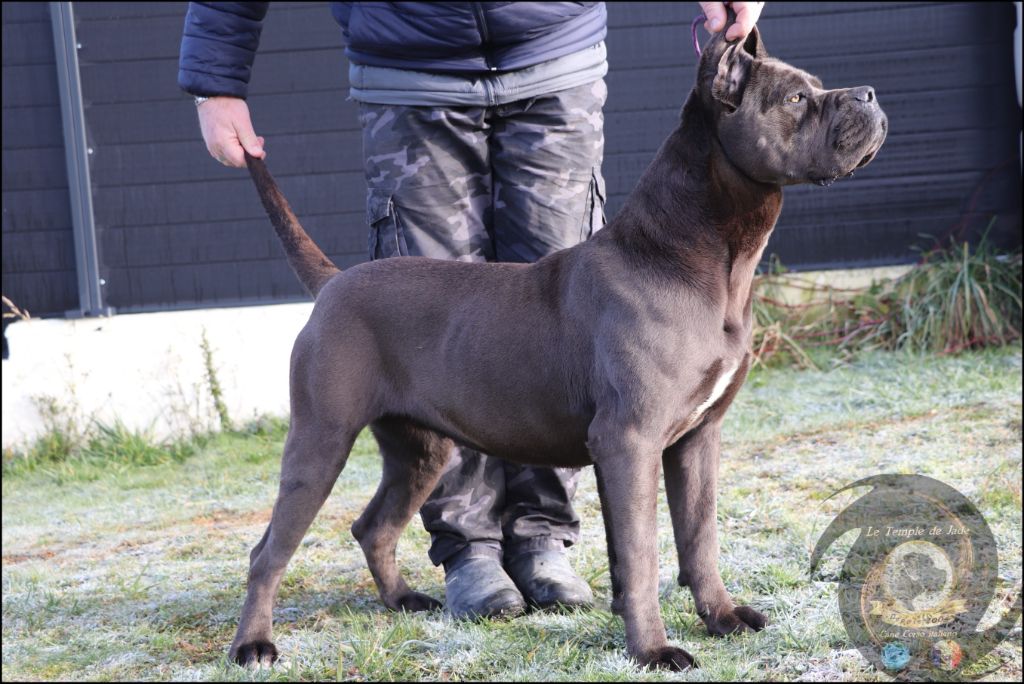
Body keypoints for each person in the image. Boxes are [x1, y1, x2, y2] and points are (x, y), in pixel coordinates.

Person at [179, 0, 763, 620]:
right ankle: (468, 551)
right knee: (436, 344)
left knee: (572, 347)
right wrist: (215, 81)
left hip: (555, 56)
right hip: (408, 68)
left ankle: (542, 538)